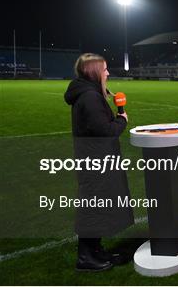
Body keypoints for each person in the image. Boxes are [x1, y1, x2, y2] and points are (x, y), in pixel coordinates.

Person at [64, 53, 134, 271]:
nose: (108, 73)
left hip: (94, 159)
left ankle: (95, 250)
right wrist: (122, 120)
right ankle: (85, 257)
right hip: (96, 161)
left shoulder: (88, 93)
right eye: (104, 69)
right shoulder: (90, 97)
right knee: (93, 207)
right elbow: (105, 132)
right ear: (94, 71)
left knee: (97, 205)